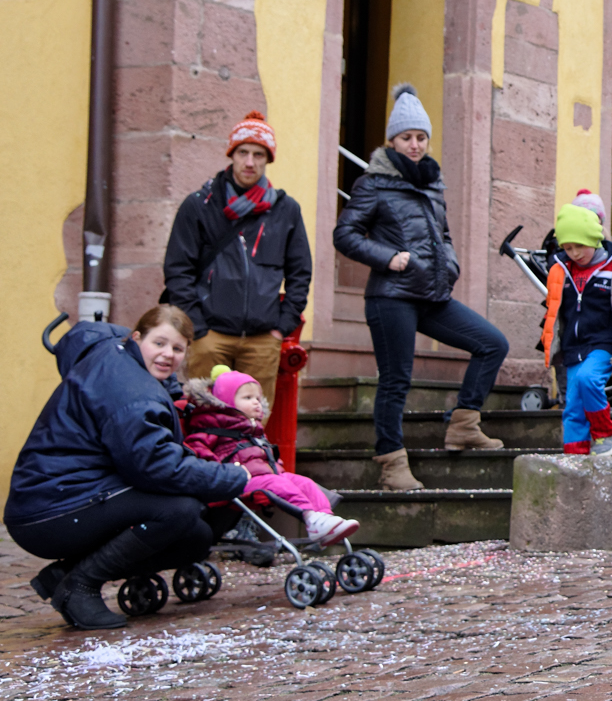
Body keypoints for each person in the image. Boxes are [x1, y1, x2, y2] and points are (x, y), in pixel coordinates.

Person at [6, 306, 248, 630]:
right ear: (136, 337)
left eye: (177, 348)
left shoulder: (118, 358)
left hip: (61, 495)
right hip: (48, 508)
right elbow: (154, 467)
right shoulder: (131, 391)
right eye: (159, 343)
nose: (167, 355)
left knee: (196, 536)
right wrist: (231, 477)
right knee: (179, 510)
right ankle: (79, 586)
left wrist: (173, 393)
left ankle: (65, 575)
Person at [333, 83, 508, 490]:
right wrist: (386, 257)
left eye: (421, 138)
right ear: (392, 141)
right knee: (396, 380)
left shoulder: (432, 183)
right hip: (390, 297)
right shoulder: (373, 183)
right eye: (407, 138)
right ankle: (393, 464)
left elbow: (442, 234)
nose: (415, 145)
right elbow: (345, 234)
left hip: (431, 295)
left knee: (492, 343)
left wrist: (450, 263)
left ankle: (464, 424)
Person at [160, 111, 312, 407]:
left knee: (254, 423)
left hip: (262, 338)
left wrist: (283, 325)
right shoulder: (199, 204)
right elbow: (178, 269)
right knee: (202, 415)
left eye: (258, 154)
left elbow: (300, 271)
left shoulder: (286, 209)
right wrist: (197, 327)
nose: (250, 162)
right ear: (232, 154)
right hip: (210, 335)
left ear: (268, 159)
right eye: (243, 152)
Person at [184, 366, 359, 546]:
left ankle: (325, 520)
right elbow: (198, 452)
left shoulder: (254, 431)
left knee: (304, 482)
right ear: (226, 402)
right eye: (247, 398)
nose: (256, 403)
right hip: (237, 480)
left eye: (258, 398)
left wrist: (277, 467)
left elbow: (268, 456)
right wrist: (222, 472)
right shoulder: (210, 428)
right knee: (277, 483)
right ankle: (310, 516)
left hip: (267, 475)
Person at [540, 202, 612, 456]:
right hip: (573, 345)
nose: (574, 253)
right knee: (573, 404)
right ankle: (575, 455)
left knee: (588, 380)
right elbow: (554, 312)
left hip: (604, 343)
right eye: (567, 247)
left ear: (595, 239)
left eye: (579, 246)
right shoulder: (559, 270)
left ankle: (604, 434)